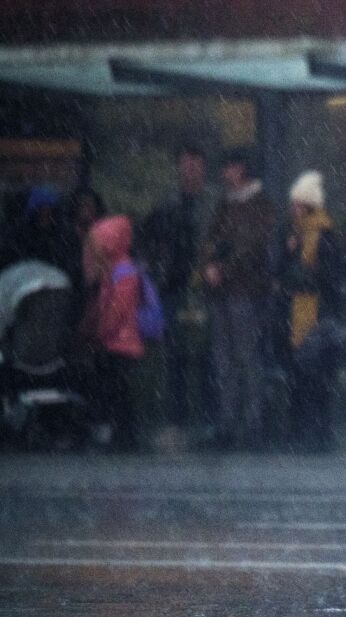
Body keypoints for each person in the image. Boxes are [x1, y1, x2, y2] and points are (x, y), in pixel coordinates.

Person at [199, 149, 275, 450]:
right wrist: (209, 265)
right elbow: (211, 240)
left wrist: (222, 269)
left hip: (245, 291)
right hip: (223, 292)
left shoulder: (259, 205)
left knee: (245, 357)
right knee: (224, 360)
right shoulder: (224, 204)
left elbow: (253, 246)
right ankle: (228, 423)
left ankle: (253, 424)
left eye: (229, 167)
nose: (224, 173)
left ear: (241, 169)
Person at [139, 143, 218, 434]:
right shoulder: (166, 202)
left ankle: (208, 417)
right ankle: (178, 416)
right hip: (172, 286)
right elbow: (148, 237)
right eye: (186, 163)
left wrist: (213, 265)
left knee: (208, 353)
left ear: (204, 167)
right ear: (179, 167)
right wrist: (155, 267)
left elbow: (222, 239)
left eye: (195, 164)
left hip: (204, 288)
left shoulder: (214, 202)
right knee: (175, 354)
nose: (191, 169)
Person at [280, 170, 344, 452]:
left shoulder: (325, 235)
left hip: (317, 315)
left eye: (297, 203)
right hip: (298, 315)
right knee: (301, 375)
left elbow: (326, 278)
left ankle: (316, 431)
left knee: (318, 376)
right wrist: (289, 254)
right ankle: (303, 430)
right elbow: (280, 270)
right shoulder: (293, 234)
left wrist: (297, 274)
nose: (293, 209)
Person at [79, 216, 144, 451]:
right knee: (116, 390)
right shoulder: (115, 269)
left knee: (117, 390)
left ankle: (125, 435)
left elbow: (117, 310)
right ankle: (122, 434)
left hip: (121, 342)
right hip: (116, 341)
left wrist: (100, 332)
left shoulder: (122, 272)